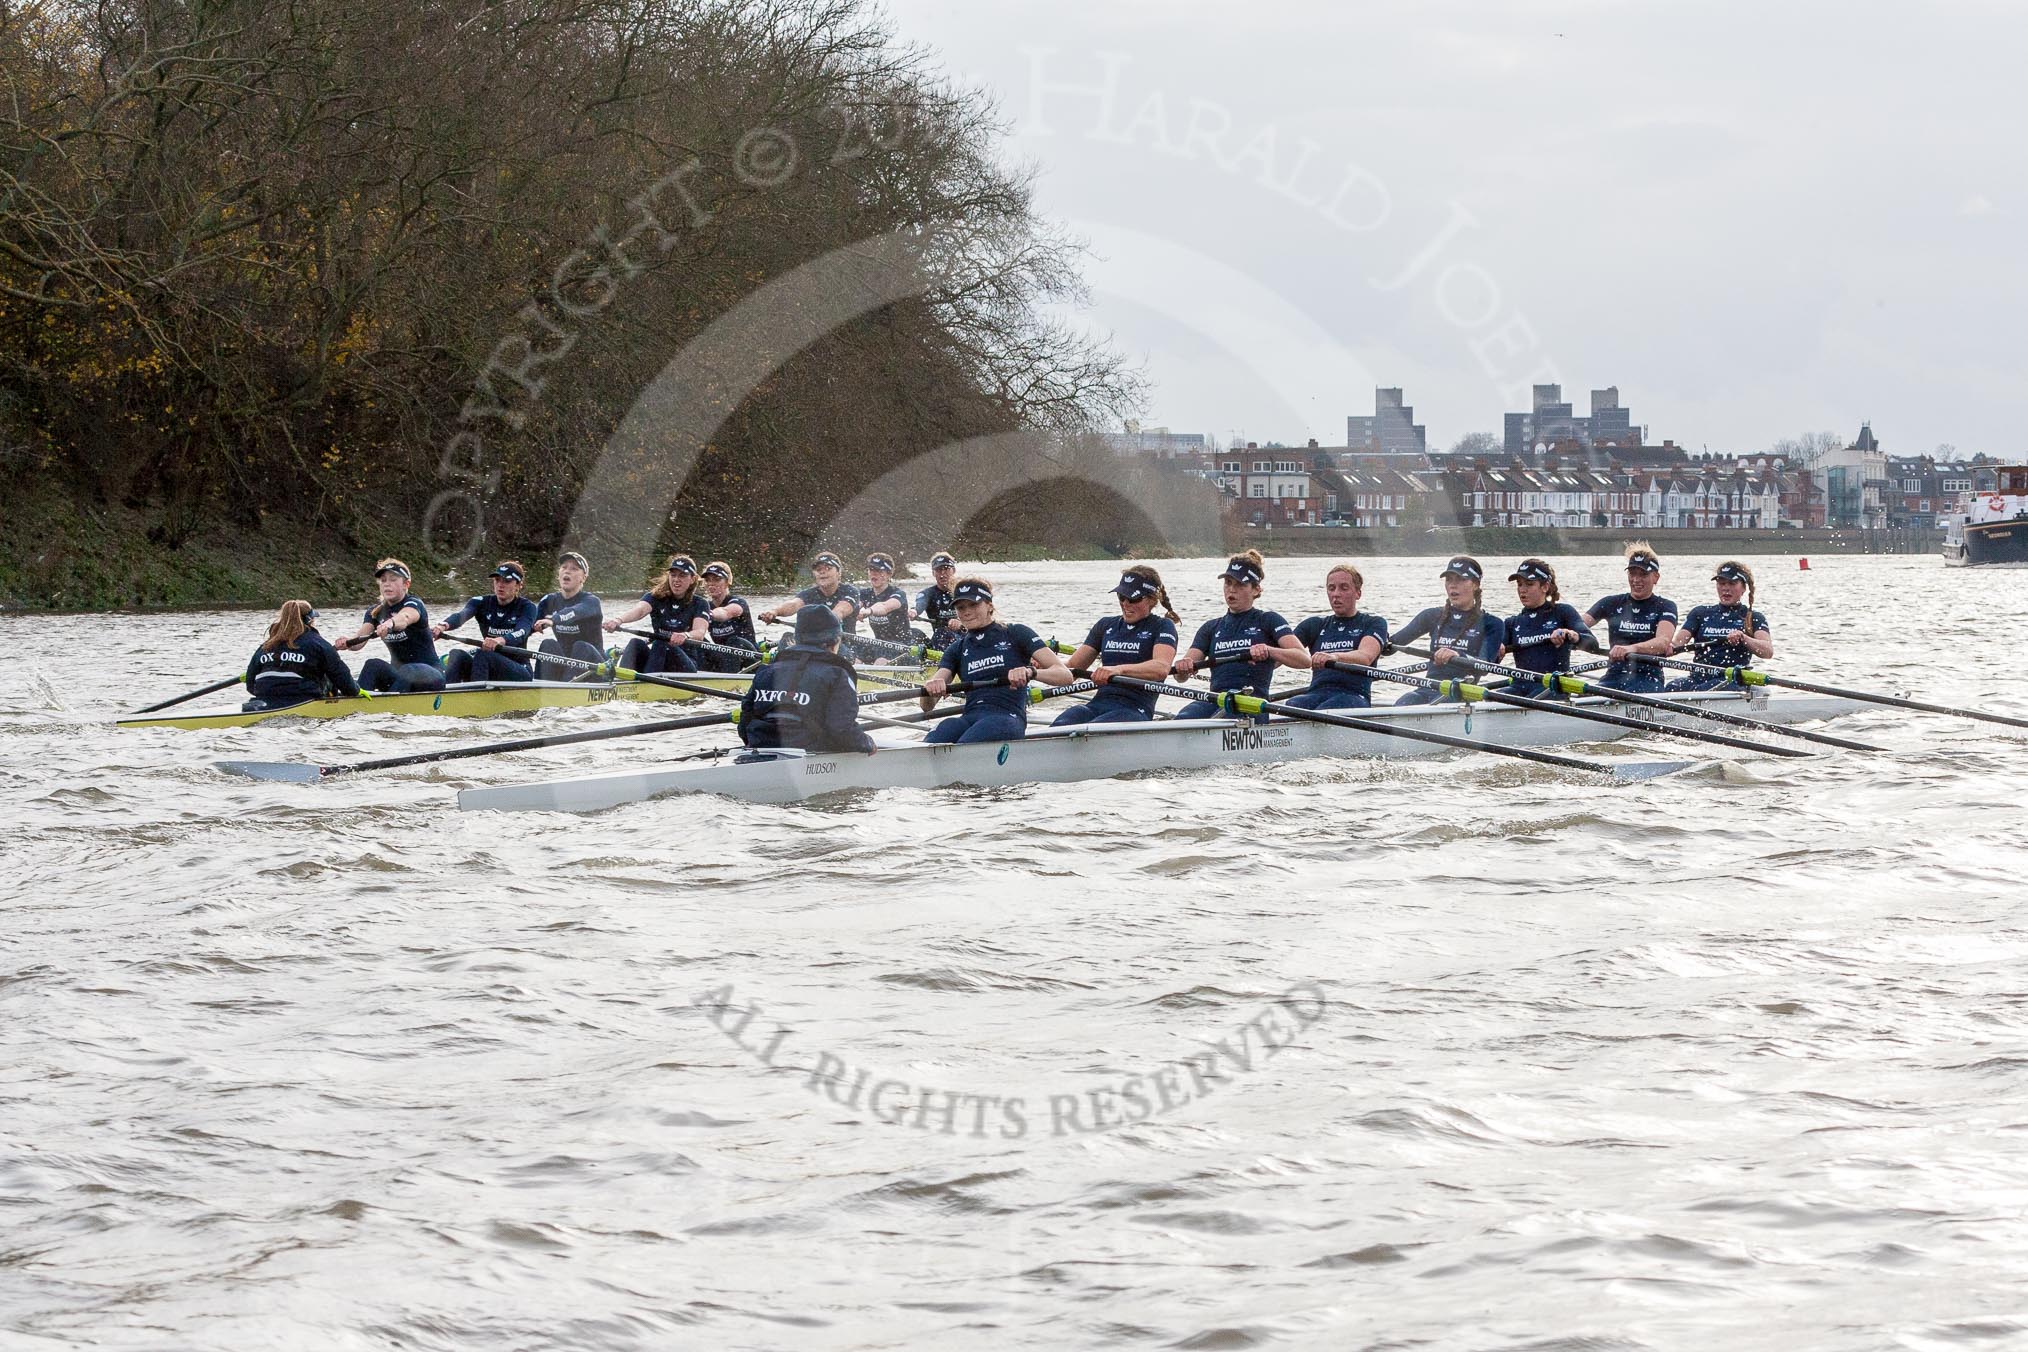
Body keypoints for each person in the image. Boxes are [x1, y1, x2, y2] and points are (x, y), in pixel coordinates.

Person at [919, 577, 1073, 743]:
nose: (966, 611)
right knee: (941, 731)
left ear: (989, 606)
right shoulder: (957, 648)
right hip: (970, 717)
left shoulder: (1016, 633)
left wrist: (1031, 672)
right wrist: (930, 688)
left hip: (1006, 717)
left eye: (973, 604)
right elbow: (927, 706)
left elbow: (1065, 676)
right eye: (960, 607)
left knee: (968, 743)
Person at [1171, 551, 1306, 720]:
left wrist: (1269, 651)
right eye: (1228, 583)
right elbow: (1179, 677)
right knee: (1183, 718)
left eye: (1240, 584)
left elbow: (1304, 659)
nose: (1231, 590)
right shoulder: (1211, 627)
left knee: (1226, 718)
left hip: (1251, 702)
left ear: (1256, 590)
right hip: (1216, 699)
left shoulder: (1269, 620)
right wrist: (1183, 666)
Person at [737, 606, 877, 756]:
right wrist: (866, 743)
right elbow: (841, 728)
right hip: (809, 752)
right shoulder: (837, 674)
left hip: (760, 747)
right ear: (835, 640)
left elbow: (744, 723)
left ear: (797, 639)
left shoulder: (766, 671)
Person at [1050, 566, 1180, 727]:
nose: (1125, 604)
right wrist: (1042, 665)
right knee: (1062, 723)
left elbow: (1161, 667)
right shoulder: (1105, 625)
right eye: (1121, 597)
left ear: (1151, 599)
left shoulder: (1162, 626)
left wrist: (1118, 669)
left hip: (1134, 709)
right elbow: (1071, 669)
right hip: (1097, 705)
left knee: (1091, 730)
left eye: (1133, 599)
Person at [1387, 556, 1504, 705]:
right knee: (1405, 701)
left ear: (1475, 584)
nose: (1453, 586)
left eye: (1461, 580)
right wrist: (1374, 637)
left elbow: (1484, 666)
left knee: (1440, 703)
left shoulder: (1492, 623)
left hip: (1461, 692)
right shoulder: (1431, 616)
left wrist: (1458, 655)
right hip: (1427, 689)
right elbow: (1391, 645)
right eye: (1449, 579)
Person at [1287, 563, 1389, 710]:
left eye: (1344, 588)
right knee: (1293, 705)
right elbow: (1284, 654)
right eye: (1331, 588)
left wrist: (1334, 657)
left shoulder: (1373, 623)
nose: (1336, 594)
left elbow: (1365, 656)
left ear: (1358, 593)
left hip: (1353, 695)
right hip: (1316, 693)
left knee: (1327, 709)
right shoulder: (1313, 625)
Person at [1578, 543, 1679, 693]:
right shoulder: (1610, 603)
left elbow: (1663, 642)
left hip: (1647, 678)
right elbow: (1578, 625)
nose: (1636, 579)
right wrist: (1568, 633)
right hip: (1613, 676)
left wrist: (1632, 649)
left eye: (1643, 574)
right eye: (1632, 574)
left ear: (1656, 577)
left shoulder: (1665, 606)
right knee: (1584, 697)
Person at [336, 559, 446, 693]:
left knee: (408, 669)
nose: (387, 584)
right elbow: (358, 641)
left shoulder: (414, 604)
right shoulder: (375, 612)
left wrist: (390, 623)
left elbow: (405, 618)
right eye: (383, 580)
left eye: (393, 580)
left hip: (432, 676)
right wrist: (346, 642)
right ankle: (356, 704)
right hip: (400, 677)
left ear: (406, 584)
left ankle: (390, 706)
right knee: (372, 664)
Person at [1666, 560, 1774, 691]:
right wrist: (1666, 647)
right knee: (1672, 687)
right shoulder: (1700, 613)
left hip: (1731, 680)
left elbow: (1767, 651)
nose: (1726, 588)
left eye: (1732, 583)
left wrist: (1744, 638)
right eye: (1722, 583)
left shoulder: (1753, 617)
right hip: (1698, 678)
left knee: (1703, 690)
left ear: (1744, 588)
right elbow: (1677, 643)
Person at [1500, 558, 1592, 701]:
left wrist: (1571, 635)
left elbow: (1592, 643)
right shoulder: (1511, 623)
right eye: (1519, 584)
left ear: (1545, 586)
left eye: (1529, 584)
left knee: (1531, 700)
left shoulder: (1563, 613)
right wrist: (1495, 649)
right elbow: (1488, 660)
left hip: (1553, 687)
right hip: (1519, 687)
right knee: (1489, 699)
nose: (1522, 590)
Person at [432, 561, 539, 684]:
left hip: (519, 669)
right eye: (497, 580)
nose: (500, 585)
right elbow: (461, 616)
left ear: (519, 585)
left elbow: (522, 631)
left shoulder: (527, 607)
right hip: (489, 664)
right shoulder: (480, 602)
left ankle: (476, 698)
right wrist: (442, 626)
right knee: (456, 655)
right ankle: (447, 698)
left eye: (506, 581)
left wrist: (499, 640)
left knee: (483, 654)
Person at [243, 600, 360, 711]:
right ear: (310, 620)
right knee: (328, 675)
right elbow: (346, 684)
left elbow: (250, 684)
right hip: (303, 699)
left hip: (265, 699)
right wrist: (356, 691)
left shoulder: (265, 646)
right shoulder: (319, 644)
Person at [605, 554, 709, 675]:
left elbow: (700, 633)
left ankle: (647, 685)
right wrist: (618, 620)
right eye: (673, 575)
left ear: (692, 579)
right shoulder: (656, 597)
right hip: (659, 659)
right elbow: (639, 610)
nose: (676, 579)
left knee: (661, 642)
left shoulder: (700, 603)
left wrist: (686, 635)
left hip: (685, 664)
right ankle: (622, 682)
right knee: (635, 643)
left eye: (682, 575)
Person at [530, 551, 606, 681]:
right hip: (566, 665)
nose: (567, 571)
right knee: (548, 644)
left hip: (595, 668)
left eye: (574, 569)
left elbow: (574, 612)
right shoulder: (549, 600)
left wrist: (554, 619)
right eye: (564, 567)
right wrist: (501, 640)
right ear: (558, 575)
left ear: (583, 578)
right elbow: (526, 627)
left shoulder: (591, 601)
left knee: (581, 646)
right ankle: (537, 686)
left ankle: (565, 687)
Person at [760, 552, 861, 638]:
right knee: (786, 638)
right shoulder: (809, 594)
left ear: (839, 573)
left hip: (843, 642)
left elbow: (840, 611)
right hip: (814, 642)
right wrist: (774, 612)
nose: (822, 572)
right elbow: (794, 604)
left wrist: (823, 621)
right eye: (818, 569)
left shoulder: (850, 591)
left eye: (828, 568)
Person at [697, 561, 760, 672]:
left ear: (727, 582)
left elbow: (726, 612)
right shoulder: (705, 606)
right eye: (708, 580)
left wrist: (709, 614)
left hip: (750, 659)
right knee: (698, 641)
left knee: (734, 642)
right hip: (726, 658)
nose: (711, 584)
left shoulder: (738, 602)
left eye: (717, 579)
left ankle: (727, 680)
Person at [857, 552, 919, 650]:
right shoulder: (864, 594)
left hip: (902, 647)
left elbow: (884, 607)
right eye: (871, 569)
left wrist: (868, 611)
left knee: (880, 660)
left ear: (889, 574)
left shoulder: (898, 594)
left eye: (879, 570)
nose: (874, 573)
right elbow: (852, 606)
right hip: (880, 645)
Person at [914, 551, 961, 650]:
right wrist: (914, 611)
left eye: (946, 569)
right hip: (941, 639)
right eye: (939, 570)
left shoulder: (963, 591)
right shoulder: (928, 593)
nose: (942, 574)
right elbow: (920, 604)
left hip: (964, 638)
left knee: (942, 633)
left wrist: (960, 622)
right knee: (914, 633)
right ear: (933, 573)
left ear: (954, 570)